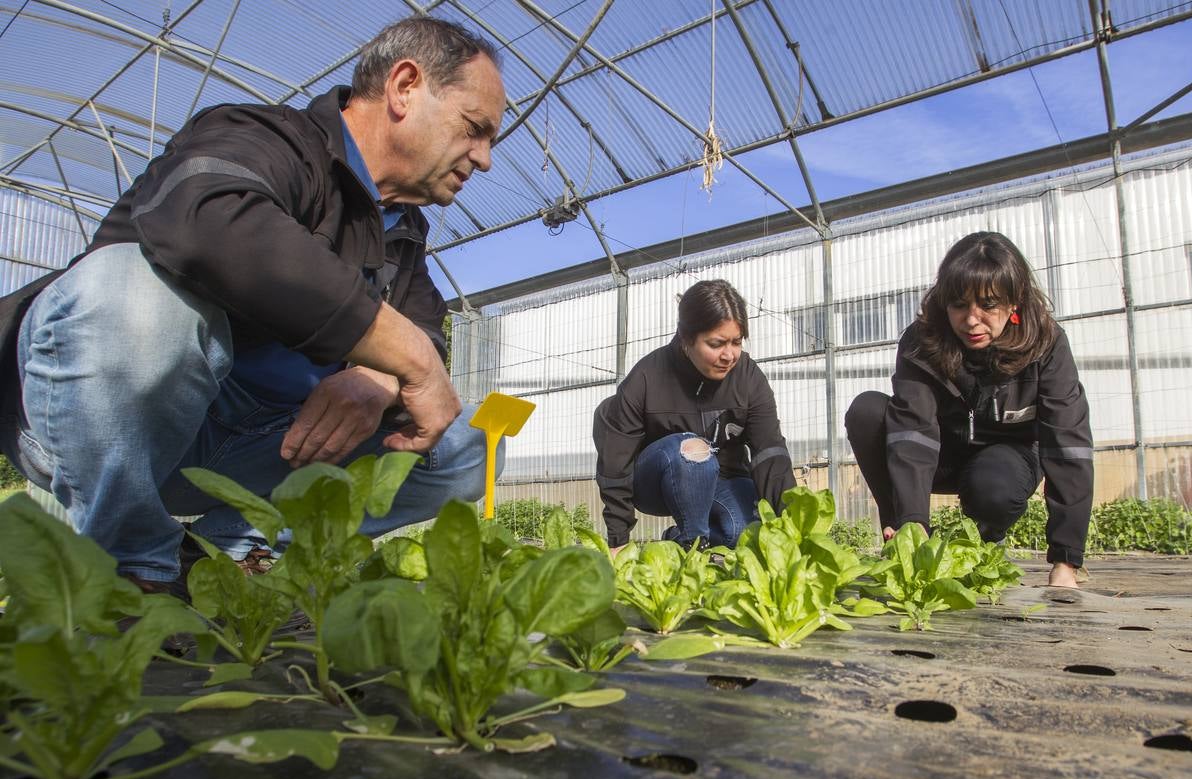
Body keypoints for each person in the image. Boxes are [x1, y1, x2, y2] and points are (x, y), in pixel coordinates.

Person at [0, 16, 508, 593]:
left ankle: (229, 553)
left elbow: (426, 323)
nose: (484, 157)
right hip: (107, 425)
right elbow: (205, 223)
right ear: (405, 86)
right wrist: (406, 353)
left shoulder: (403, 230)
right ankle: (130, 569)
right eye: (474, 128)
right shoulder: (264, 137)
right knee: (133, 292)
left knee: (469, 444)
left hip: (263, 444)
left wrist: (380, 376)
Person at [844, 232, 1093, 587]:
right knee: (867, 410)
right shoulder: (922, 341)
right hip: (941, 452)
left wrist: (1065, 561)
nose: (972, 320)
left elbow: (1068, 443)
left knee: (993, 485)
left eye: (988, 305)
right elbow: (913, 431)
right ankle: (901, 529)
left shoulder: (1046, 344)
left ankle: (984, 542)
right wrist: (913, 521)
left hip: (1009, 457)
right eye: (959, 305)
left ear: (1014, 302)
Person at [593, 279, 796, 552]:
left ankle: (677, 538)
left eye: (736, 342)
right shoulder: (647, 377)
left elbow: (769, 451)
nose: (729, 355)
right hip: (657, 480)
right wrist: (618, 541)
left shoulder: (748, 377)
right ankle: (694, 546)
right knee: (692, 450)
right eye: (716, 343)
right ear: (686, 338)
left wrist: (789, 528)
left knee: (745, 536)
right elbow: (615, 463)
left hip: (724, 479)